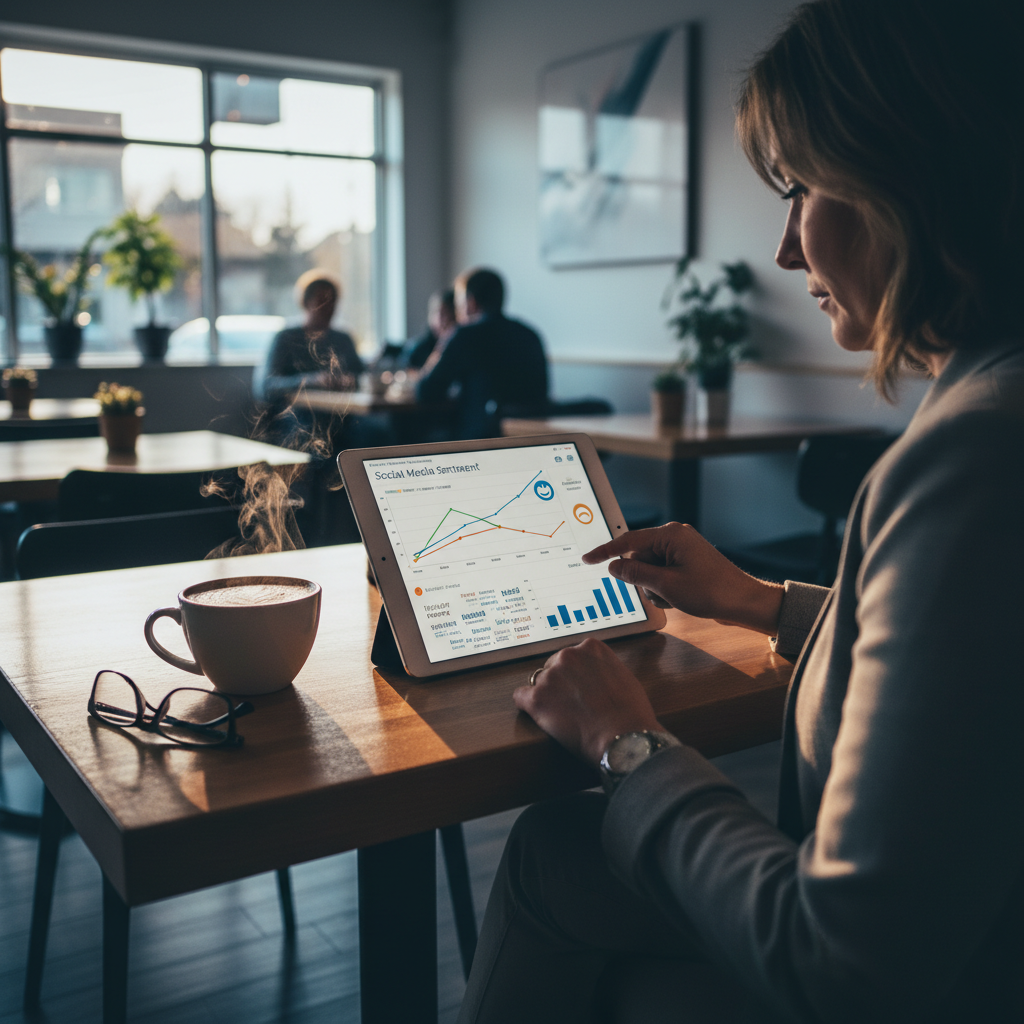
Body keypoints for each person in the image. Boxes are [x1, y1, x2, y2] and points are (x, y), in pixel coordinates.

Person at [457, 1, 1023, 1022]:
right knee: (558, 857)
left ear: (902, 179)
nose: (783, 250)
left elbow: (845, 963)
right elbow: (977, 677)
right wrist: (763, 601)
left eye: (798, 188)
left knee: (557, 851)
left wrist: (625, 744)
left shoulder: (975, 453)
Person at [416, 267, 549, 438]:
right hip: (529, 435)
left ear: (470, 302)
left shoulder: (464, 334)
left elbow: (425, 391)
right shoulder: (530, 334)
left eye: (459, 304)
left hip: (478, 439)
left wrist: (441, 346)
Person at [253, 269, 365, 411]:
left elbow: (362, 376)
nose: (328, 308)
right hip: (296, 415)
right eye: (322, 301)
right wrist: (312, 381)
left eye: (333, 302)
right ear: (306, 303)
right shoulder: (286, 338)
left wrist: (349, 381)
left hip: (342, 414)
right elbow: (266, 386)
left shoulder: (343, 339)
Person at [398, 288, 458, 370]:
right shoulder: (421, 347)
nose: (439, 319)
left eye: (445, 313)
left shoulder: (458, 344)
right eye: (435, 312)